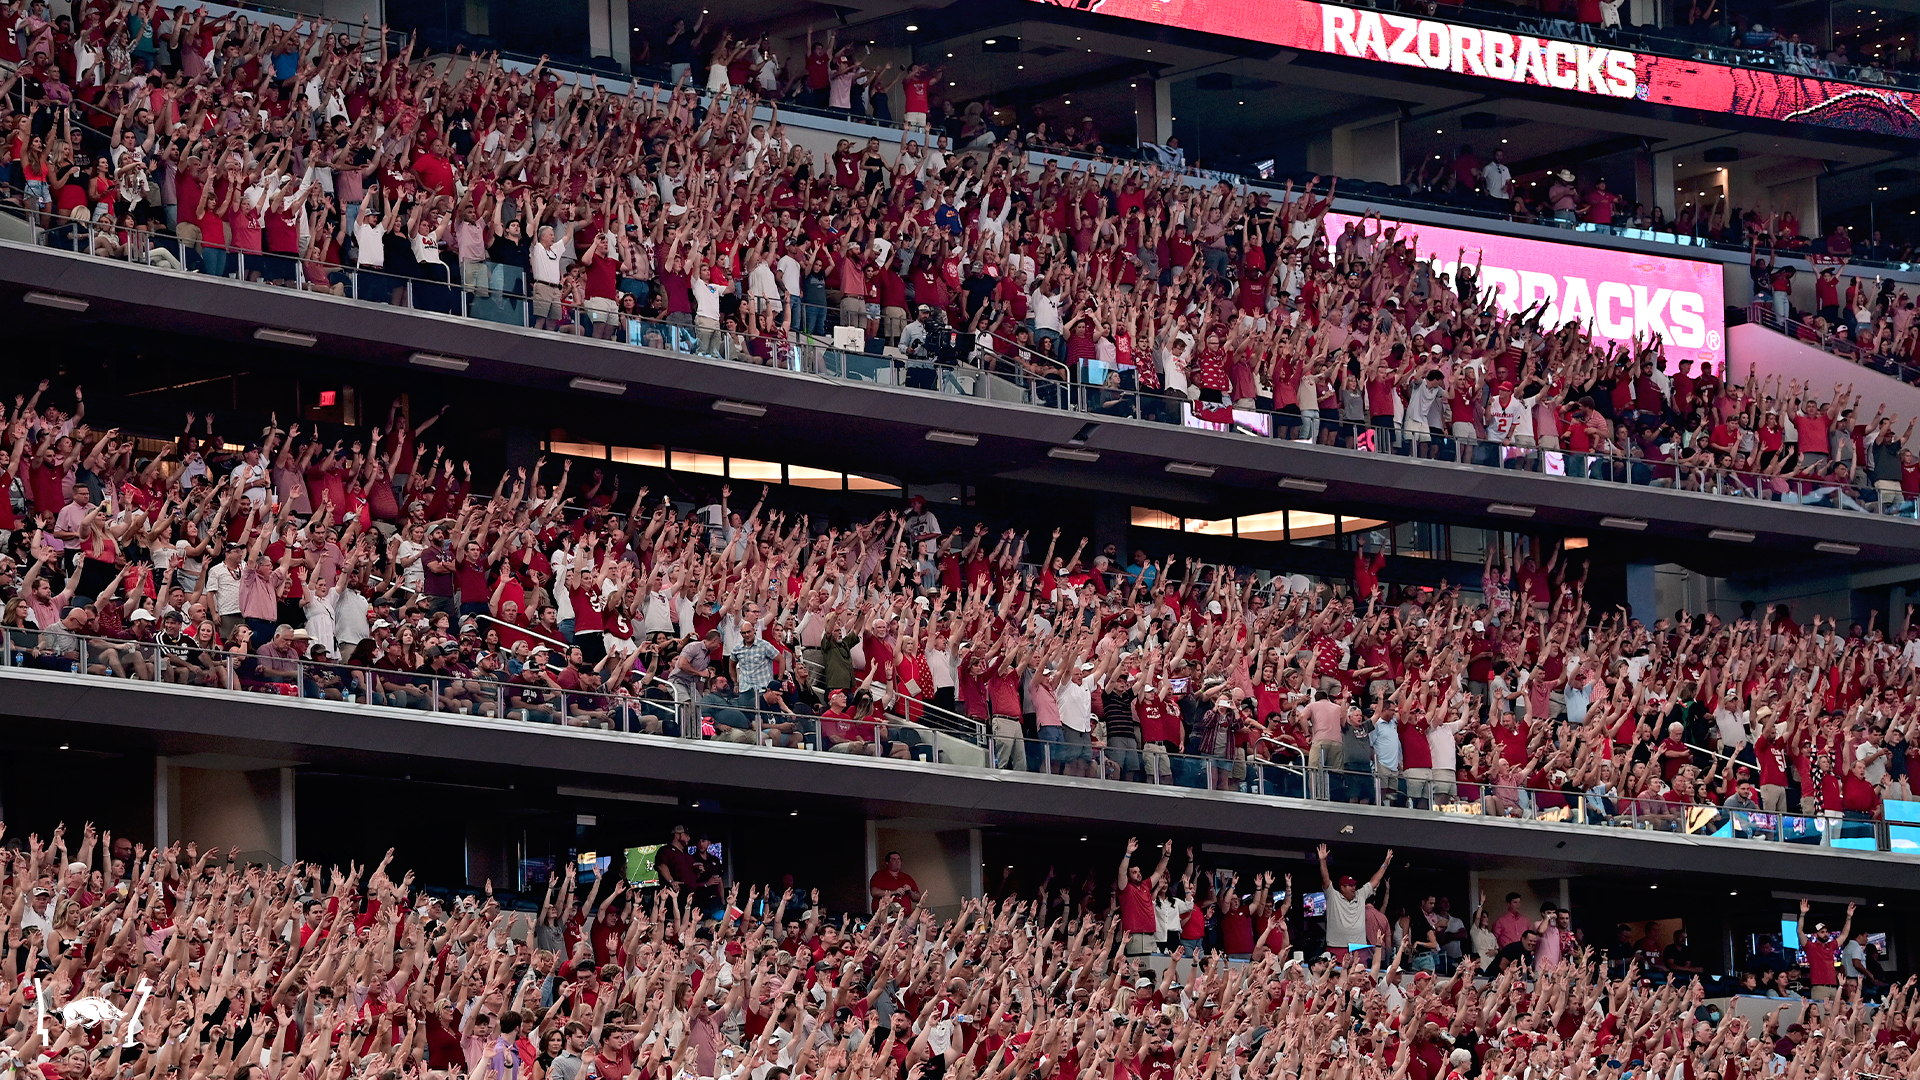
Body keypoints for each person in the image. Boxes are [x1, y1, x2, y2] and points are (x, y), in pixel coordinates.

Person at [1317, 843, 1392, 961]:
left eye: (1354, 885)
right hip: (1337, 947)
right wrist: (1322, 861)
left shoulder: (1360, 895)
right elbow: (1325, 879)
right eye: (1350, 886)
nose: (1354, 888)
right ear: (1342, 887)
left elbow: (1374, 881)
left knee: (1361, 977)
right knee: (1336, 977)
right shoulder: (1333, 896)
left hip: (1359, 948)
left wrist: (1385, 864)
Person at [869, 850, 922, 915]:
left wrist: (910, 892)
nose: (897, 861)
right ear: (887, 863)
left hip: (904, 918)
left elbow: (918, 898)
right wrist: (894, 892)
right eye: (894, 859)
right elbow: (874, 892)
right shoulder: (879, 875)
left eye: (899, 859)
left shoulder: (907, 877)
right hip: (884, 918)